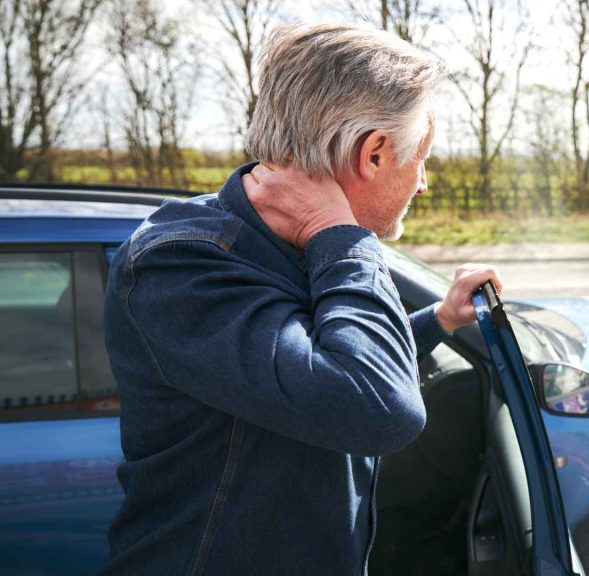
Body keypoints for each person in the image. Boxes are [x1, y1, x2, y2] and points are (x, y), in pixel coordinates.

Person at [99, 23, 501, 575]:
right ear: (375, 154)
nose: (423, 183)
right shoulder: (180, 263)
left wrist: (436, 320)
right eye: (421, 158)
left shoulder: (288, 242)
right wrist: (341, 235)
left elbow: (316, 365)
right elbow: (378, 409)